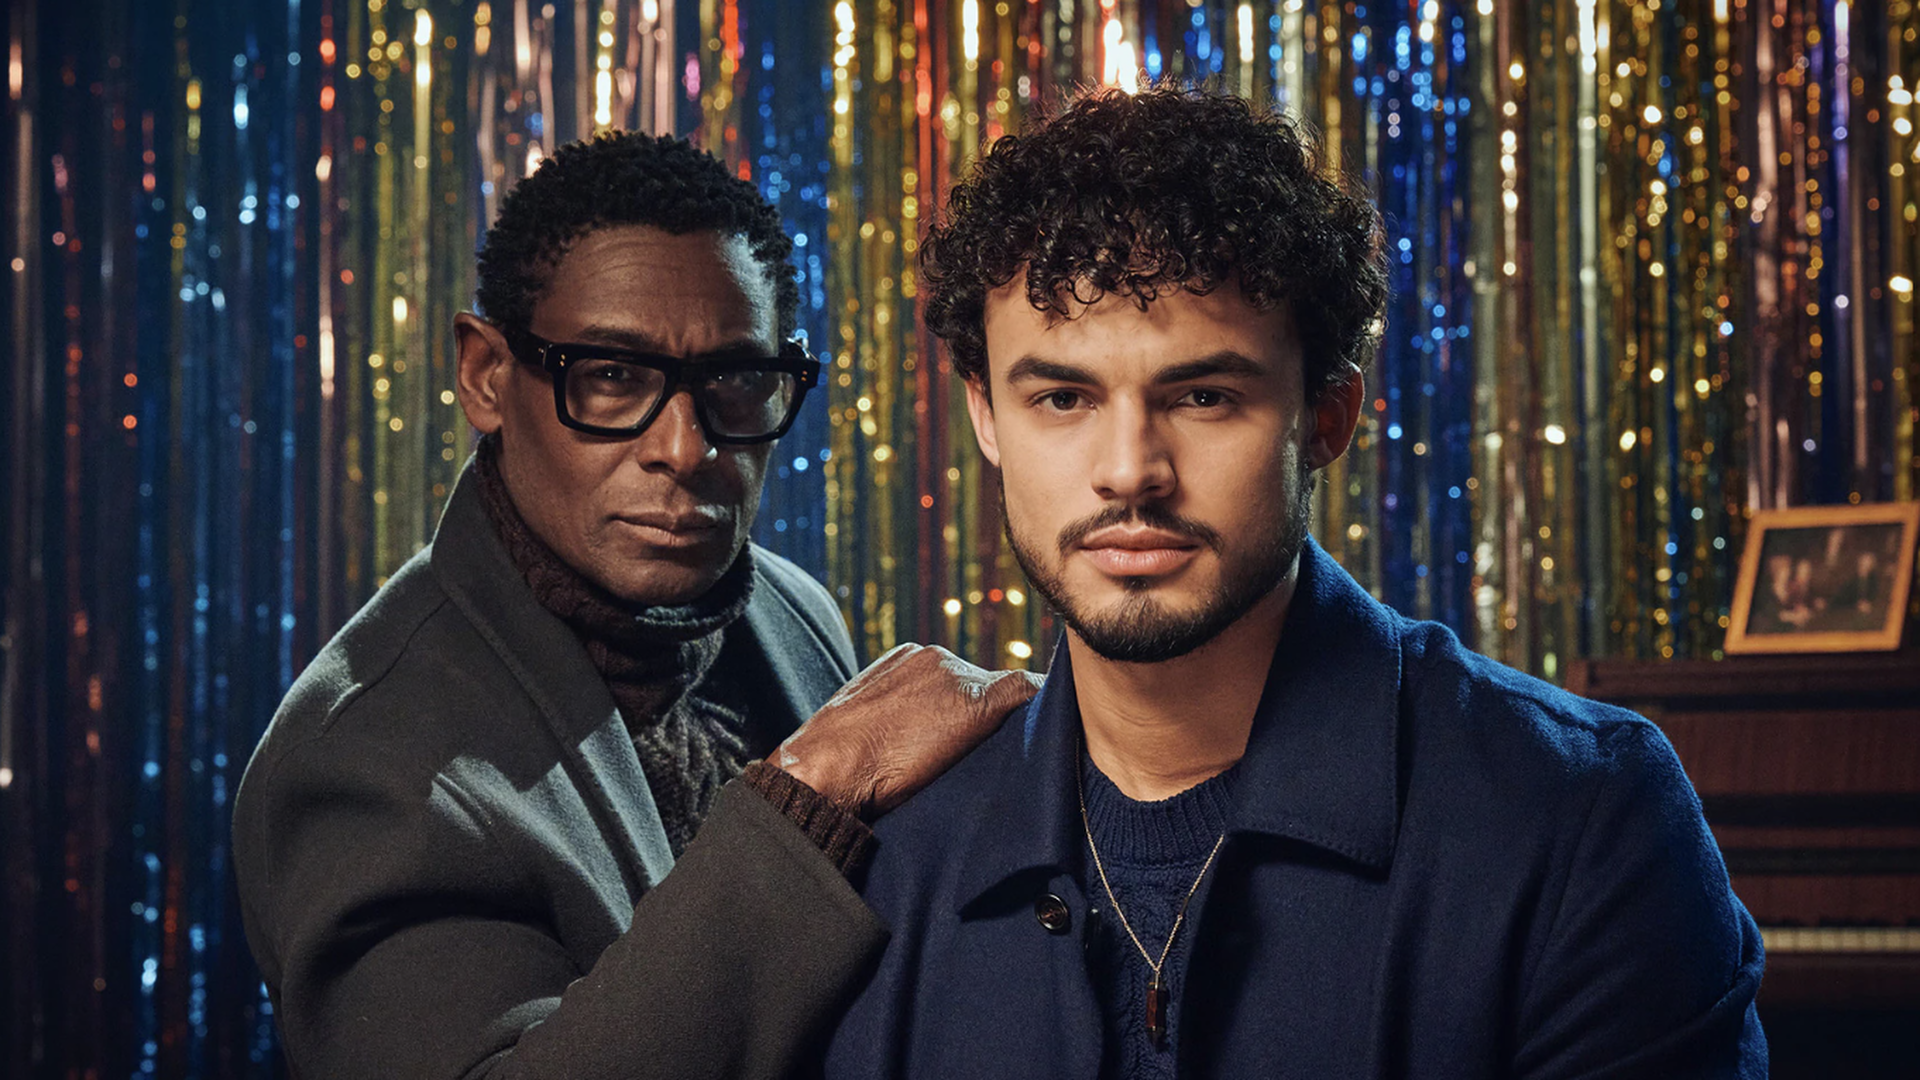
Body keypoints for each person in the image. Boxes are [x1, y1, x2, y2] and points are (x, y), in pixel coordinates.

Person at [822, 86, 1767, 1078]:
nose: (1130, 470)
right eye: (1062, 398)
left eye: (1204, 396)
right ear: (987, 417)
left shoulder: (1581, 817)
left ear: (1326, 417)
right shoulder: (893, 850)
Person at [231, 132, 1037, 1080]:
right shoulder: (364, 761)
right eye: (612, 376)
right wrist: (808, 796)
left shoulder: (792, 611)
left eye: (735, 379)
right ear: (486, 375)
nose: (685, 448)